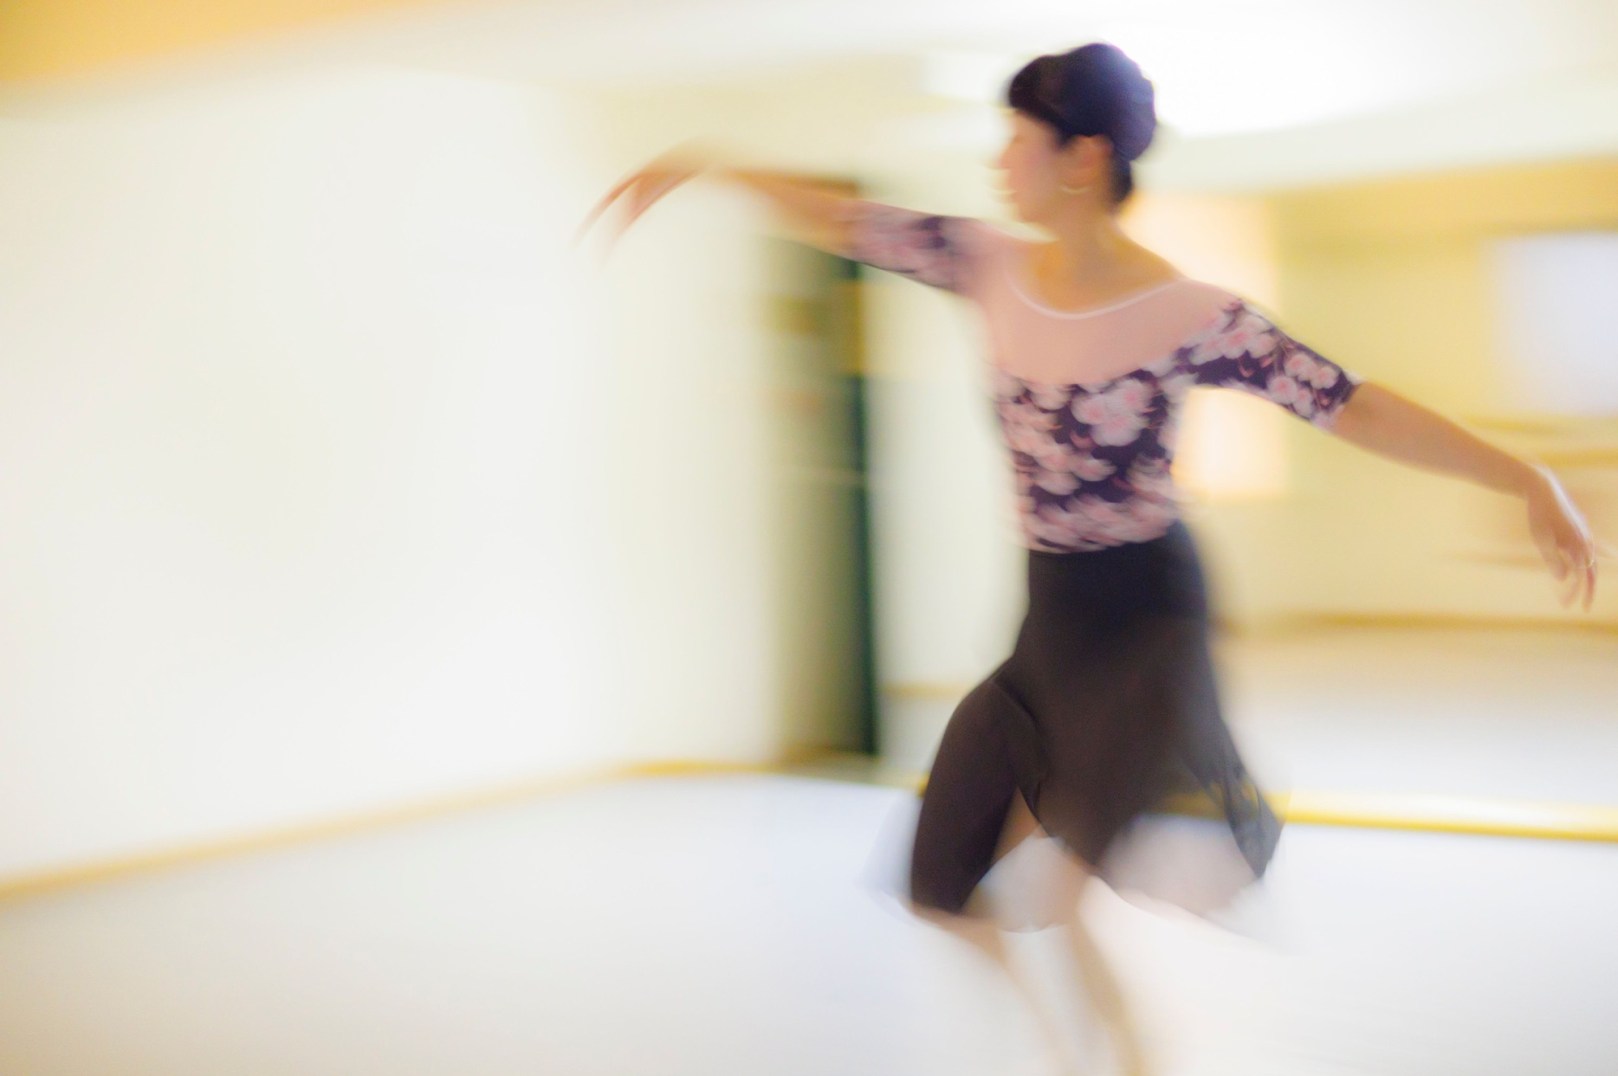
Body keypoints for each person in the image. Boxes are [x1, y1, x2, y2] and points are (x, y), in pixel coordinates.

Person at [580, 42, 1602, 1076]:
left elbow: (1353, 404)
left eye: (1017, 139)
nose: (998, 161)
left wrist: (1524, 475)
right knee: (941, 880)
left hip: (1147, 623)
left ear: (1083, 158)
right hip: (1050, 621)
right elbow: (843, 220)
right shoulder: (985, 264)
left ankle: (1116, 1063)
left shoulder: (1189, 314)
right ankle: (1088, 1052)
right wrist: (708, 165)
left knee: (1061, 895)